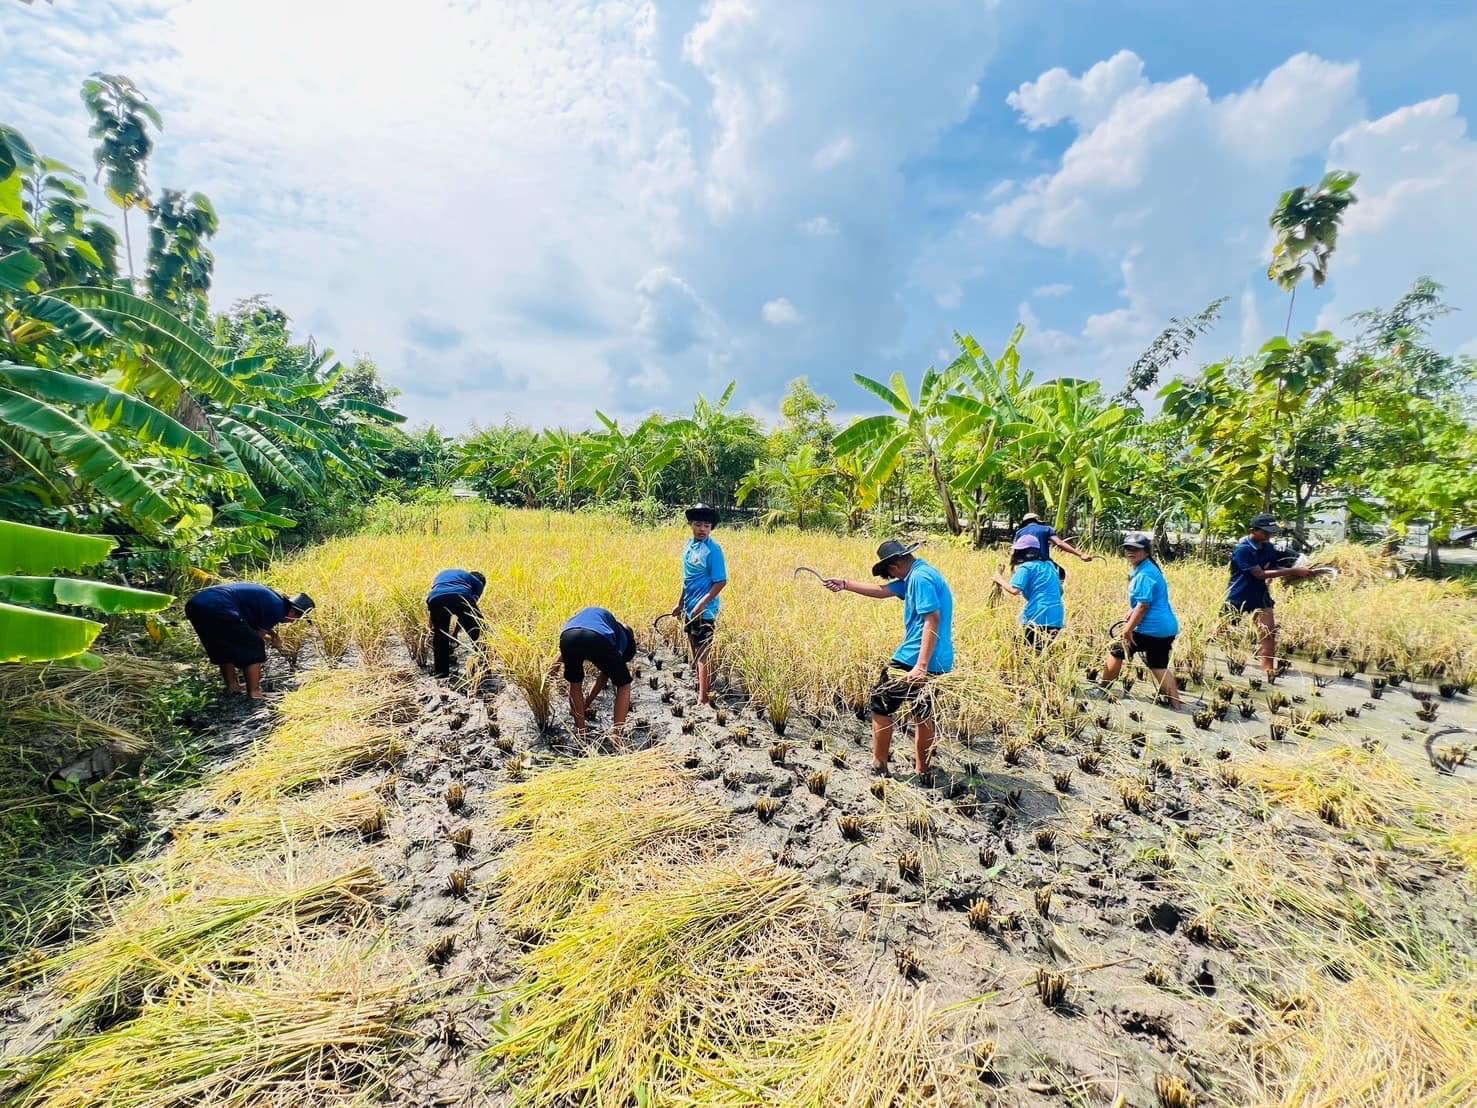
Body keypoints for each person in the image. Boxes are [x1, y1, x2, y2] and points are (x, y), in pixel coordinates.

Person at [823, 540, 954, 779]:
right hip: (941, 660)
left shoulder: (920, 579)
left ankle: (879, 765)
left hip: (914, 659)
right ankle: (923, 770)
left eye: (890, 573)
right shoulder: (922, 573)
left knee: (880, 705)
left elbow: (932, 620)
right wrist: (845, 584)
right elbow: (884, 591)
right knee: (922, 713)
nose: (891, 577)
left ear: (894, 566)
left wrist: (920, 666)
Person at [184, 583, 314, 699]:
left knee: (221, 645)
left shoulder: (274, 602)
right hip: (219, 606)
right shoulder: (278, 608)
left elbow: (250, 625)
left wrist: (274, 635)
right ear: (293, 610)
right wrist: (257, 661)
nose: (293, 621)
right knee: (255, 646)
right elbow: (257, 637)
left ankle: (233, 687)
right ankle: (255, 692)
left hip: (196, 605)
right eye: (297, 617)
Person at [1225, 513, 1315, 681]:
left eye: (1271, 532)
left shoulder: (1268, 548)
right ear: (1253, 530)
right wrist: (1294, 571)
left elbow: (1273, 567)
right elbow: (1259, 574)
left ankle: (1268, 669)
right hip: (1239, 595)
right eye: (1266, 532)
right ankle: (1202, 649)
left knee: (1268, 632)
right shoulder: (1243, 550)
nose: (1269, 535)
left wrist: (1300, 572)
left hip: (1261, 595)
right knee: (1222, 629)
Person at [1100, 534, 1181, 707]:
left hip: (1151, 628)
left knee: (1116, 651)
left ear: (1146, 551)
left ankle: (1103, 689)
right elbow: (1144, 602)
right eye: (1128, 548)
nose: (1131, 552)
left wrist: (1128, 630)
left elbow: (1144, 606)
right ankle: (1177, 706)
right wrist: (1131, 611)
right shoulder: (1149, 568)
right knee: (1158, 666)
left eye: (1136, 549)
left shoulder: (1144, 573)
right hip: (1166, 628)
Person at [548, 606, 636, 740]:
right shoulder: (622, 638)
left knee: (575, 682)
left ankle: (581, 735)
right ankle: (617, 737)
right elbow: (603, 678)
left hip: (568, 636)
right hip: (596, 638)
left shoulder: (599, 619)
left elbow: (560, 657)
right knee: (624, 684)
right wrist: (587, 702)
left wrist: (548, 681)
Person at [674, 504, 727, 705]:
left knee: (703, 652)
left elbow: (721, 581)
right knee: (694, 648)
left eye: (706, 525)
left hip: (705, 610)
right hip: (689, 607)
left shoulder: (713, 550)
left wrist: (703, 604)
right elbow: (687, 579)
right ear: (691, 525)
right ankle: (701, 685)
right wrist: (680, 604)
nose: (702, 529)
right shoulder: (689, 545)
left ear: (711, 528)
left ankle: (702, 698)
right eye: (698, 524)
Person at [992, 535, 1065, 650]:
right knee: (1040, 653)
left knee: (1022, 651)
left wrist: (999, 579)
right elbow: (1060, 592)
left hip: (1037, 616)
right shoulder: (1049, 565)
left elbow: (1014, 590)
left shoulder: (1026, 567)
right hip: (1057, 618)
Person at [426, 568, 486, 679]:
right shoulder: (478, 582)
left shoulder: (444, 574)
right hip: (461, 596)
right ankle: (483, 668)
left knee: (440, 637)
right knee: (480, 632)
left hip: (435, 598)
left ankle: (441, 675)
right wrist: (454, 635)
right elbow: (465, 616)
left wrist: (433, 631)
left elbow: (439, 595)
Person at [1014, 512, 1093, 581]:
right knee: (1061, 573)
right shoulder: (1046, 529)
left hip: (1024, 563)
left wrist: (1015, 567)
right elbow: (1059, 543)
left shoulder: (1019, 533)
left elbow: (1014, 551)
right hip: (1042, 562)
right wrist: (1080, 554)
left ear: (1025, 523)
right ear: (1037, 521)